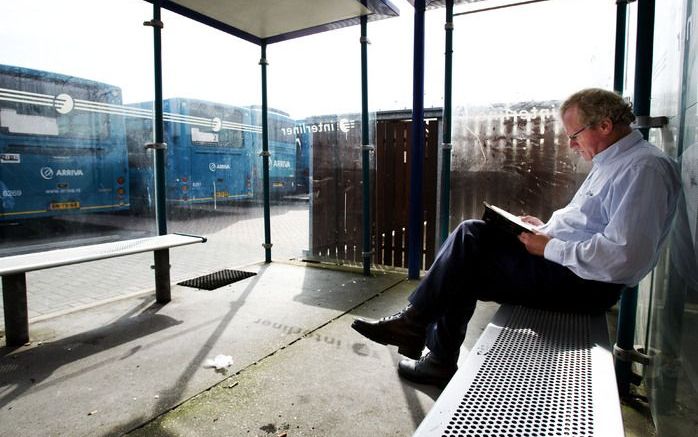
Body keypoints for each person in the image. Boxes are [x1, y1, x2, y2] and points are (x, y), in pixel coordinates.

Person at [352, 88, 682, 388]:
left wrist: (550, 246)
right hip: (574, 271)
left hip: (587, 285)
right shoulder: (615, 161)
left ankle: (418, 330)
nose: (571, 144)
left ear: (606, 126)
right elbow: (591, 225)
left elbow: (625, 256)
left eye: (574, 135)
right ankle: (431, 350)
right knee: (464, 262)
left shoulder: (643, 169)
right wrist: (546, 229)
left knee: (470, 239)